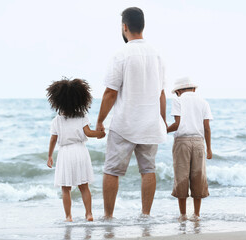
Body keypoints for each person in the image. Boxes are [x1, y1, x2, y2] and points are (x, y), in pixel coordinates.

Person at [96, 7, 167, 219]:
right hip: (150, 124)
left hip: (125, 124)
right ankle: (146, 215)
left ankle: (108, 217)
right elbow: (162, 93)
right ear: (142, 25)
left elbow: (110, 92)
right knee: (148, 170)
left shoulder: (121, 55)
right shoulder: (158, 55)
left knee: (111, 171)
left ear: (124, 27)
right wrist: (162, 120)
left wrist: (99, 121)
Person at [46, 78, 106, 222]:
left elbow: (53, 139)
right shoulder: (82, 116)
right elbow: (88, 133)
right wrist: (100, 134)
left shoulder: (57, 120)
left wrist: (49, 156)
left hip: (65, 153)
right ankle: (89, 214)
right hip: (80, 151)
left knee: (65, 188)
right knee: (84, 186)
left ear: (58, 101)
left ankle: (68, 216)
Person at [167, 77, 213, 222]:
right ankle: (197, 215)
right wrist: (209, 149)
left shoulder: (178, 100)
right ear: (193, 89)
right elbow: (207, 128)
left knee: (182, 177)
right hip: (199, 143)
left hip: (182, 142)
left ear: (179, 91)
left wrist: (163, 131)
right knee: (198, 177)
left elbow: (177, 124)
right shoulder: (203, 102)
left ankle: (183, 215)